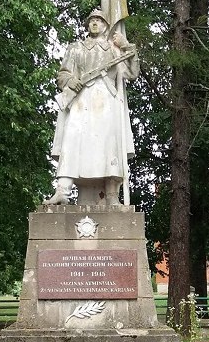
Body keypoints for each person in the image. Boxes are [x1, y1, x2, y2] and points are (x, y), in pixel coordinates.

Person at [45, 10, 139, 206]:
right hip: (80, 100)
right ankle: (63, 190)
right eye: (92, 21)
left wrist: (127, 46)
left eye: (99, 20)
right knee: (71, 141)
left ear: (105, 25)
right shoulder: (76, 48)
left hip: (106, 102)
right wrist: (71, 81)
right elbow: (63, 75)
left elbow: (131, 74)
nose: (95, 23)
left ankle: (112, 195)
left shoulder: (114, 50)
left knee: (109, 146)